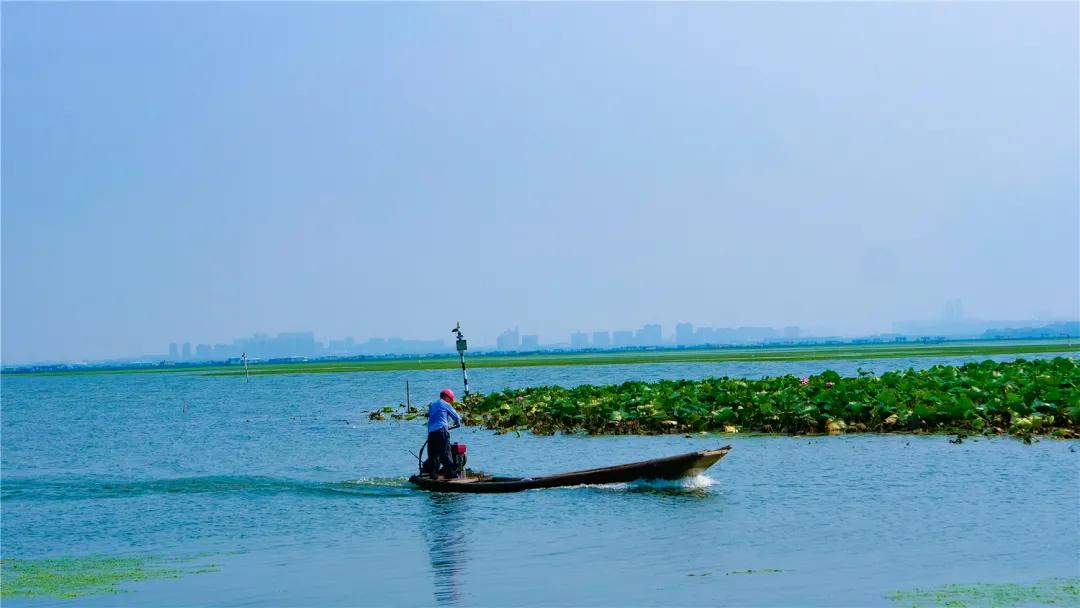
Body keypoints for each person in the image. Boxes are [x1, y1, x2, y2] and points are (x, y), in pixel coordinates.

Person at [425, 389, 462, 479]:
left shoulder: (433, 405)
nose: (450, 401)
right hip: (441, 431)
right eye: (450, 399)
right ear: (446, 397)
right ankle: (450, 474)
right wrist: (457, 423)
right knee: (445, 453)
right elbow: (457, 417)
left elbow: (429, 415)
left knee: (433, 455)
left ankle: (433, 475)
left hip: (431, 433)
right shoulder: (445, 404)